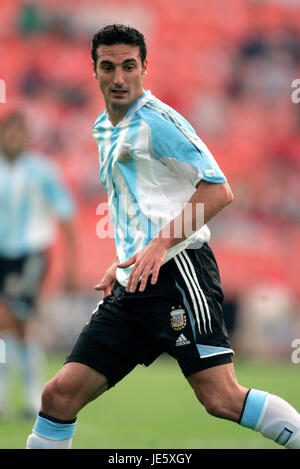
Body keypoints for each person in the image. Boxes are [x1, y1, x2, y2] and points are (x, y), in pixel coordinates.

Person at [26, 24, 300, 449]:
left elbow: (218, 190)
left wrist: (159, 244)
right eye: (108, 67)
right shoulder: (104, 127)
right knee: (58, 395)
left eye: (129, 66)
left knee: (221, 398)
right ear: (94, 70)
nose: (119, 77)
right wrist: (128, 255)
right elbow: (142, 202)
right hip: (134, 281)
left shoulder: (158, 122)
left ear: (144, 67)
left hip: (179, 273)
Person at [0, 111, 76, 418]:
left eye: (20, 132)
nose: (14, 138)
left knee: (16, 321)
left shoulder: (42, 170)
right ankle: (14, 397)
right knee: (11, 328)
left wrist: (72, 264)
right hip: (2, 255)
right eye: (10, 132)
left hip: (30, 253)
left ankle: (31, 398)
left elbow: (67, 215)